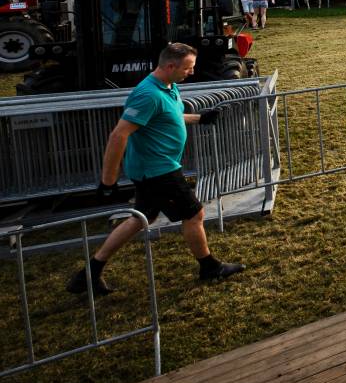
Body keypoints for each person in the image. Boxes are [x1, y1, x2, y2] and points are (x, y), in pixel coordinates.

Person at [66, 43, 244, 296]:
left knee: (141, 218)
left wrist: (200, 118)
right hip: (158, 170)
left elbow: (167, 117)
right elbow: (118, 135)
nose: (192, 72)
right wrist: (108, 181)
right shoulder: (147, 94)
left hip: (155, 168)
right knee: (194, 214)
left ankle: (88, 275)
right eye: (188, 68)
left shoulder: (169, 86)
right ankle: (210, 267)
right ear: (170, 66)